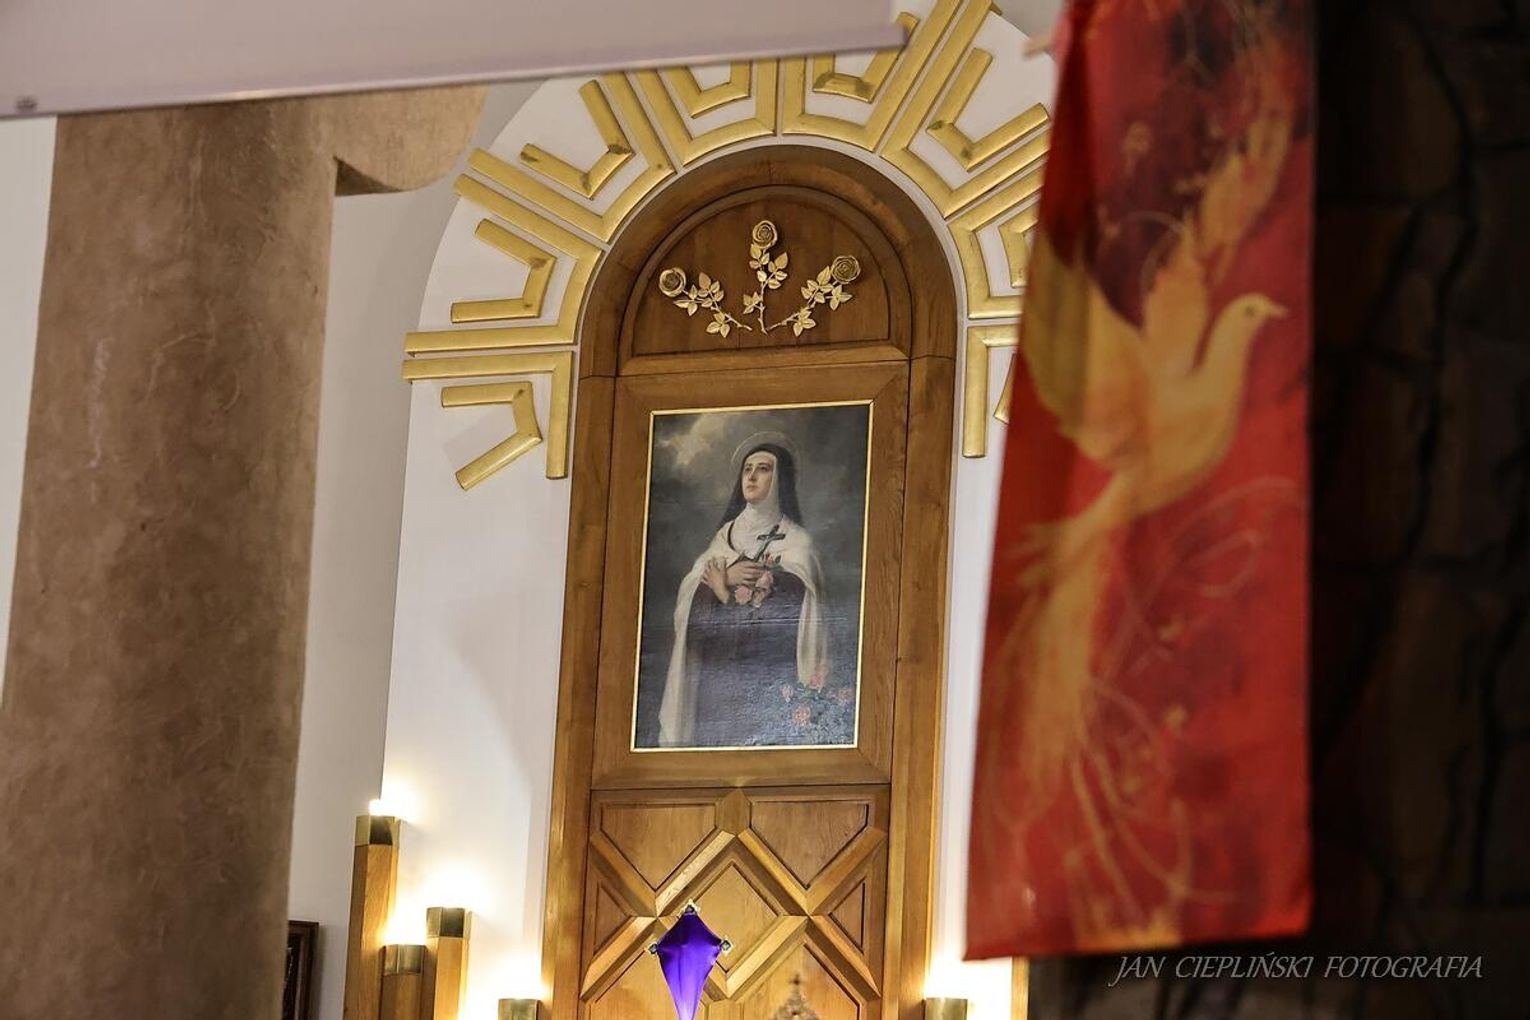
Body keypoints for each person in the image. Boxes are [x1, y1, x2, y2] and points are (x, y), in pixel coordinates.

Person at [657, 437, 831, 747]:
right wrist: (725, 577)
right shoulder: (725, 536)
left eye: (763, 469)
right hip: (715, 679)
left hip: (766, 677)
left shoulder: (797, 542)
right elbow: (689, 592)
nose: (751, 477)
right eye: (747, 469)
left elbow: (799, 612)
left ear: (779, 480)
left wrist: (726, 589)